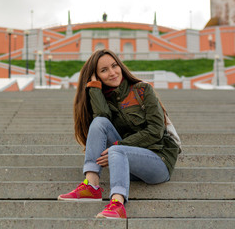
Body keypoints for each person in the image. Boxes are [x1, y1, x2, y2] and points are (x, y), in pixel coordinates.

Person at [57, 49, 180, 219]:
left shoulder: (143, 90)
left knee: (116, 150)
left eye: (114, 66)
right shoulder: (104, 99)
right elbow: (102, 120)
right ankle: (91, 185)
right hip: (127, 165)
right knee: (100, 123)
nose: (113, 72)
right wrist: (94, 89)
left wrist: (118, 146)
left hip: (158, 161)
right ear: (97, 77)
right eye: (104, 70)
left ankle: (118, 204)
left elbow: (155, 132)